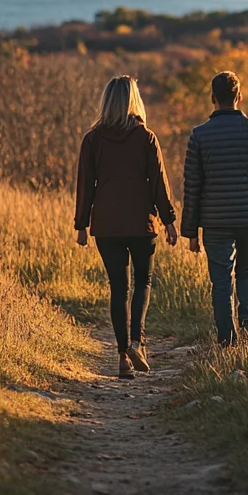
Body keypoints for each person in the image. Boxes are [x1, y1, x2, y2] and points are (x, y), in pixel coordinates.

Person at [75, 75, 178, 379]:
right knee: (143, 282)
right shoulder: (145, 137)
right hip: (141, 222)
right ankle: (138, 343)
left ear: (107, 101)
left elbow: (85, 185)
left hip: (106, 224)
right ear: (135, 99)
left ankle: (122, 357)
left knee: (118, 287)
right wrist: (169, 220)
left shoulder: (92, 139)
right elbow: (159, 183)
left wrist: (81, 225)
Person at [181, 71, 248, 347]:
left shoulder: (199, 136)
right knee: (247, 271)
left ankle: (226, 338)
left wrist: (190, 231)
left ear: (213, 98)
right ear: (239, 97)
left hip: (214, 220)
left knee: (221, 280)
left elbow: (192, 187)